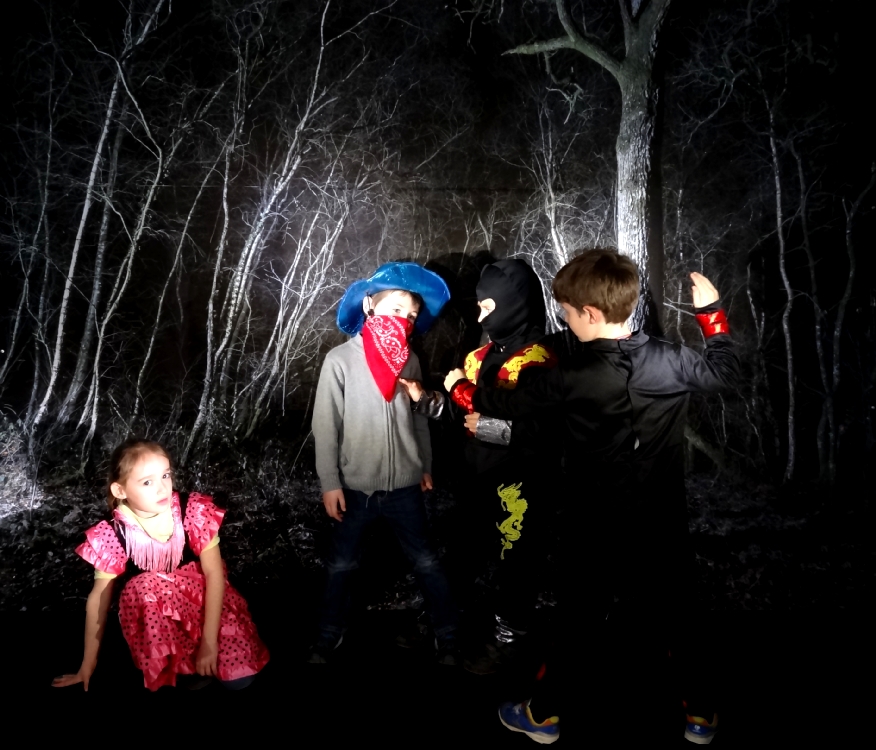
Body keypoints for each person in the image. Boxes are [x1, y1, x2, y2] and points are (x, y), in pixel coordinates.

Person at [444, 249, 738, 745]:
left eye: (566, 311)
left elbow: (500, 402)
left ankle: (540, 716)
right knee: (678, 616)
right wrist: (711, 310)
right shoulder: (672, 360)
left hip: (596, 525)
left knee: (577, 620)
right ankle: (701, 717)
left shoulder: (567, 376)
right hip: (661, 523)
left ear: (591, 315)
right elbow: (725, 368)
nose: (561, 317)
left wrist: (457, 387)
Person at [402, 259, 560, 675]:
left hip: (520, 487)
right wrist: (427, 400)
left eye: (488, 307)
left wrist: (491, 428)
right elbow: (460, 414)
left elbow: (547, 432)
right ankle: (443, 625)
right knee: (461, 554)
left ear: (513, 304)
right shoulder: (477, 358)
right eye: (480, 306)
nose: (479, 315)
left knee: (516, 563)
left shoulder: (542, 360)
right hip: (476, 479)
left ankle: (509, 641)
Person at [309, 261, 459, 665]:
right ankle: (327, 635)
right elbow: (326, 426)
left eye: (411, 314)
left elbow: (420, 421)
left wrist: (423, 464)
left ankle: (448, 637)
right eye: (396, 309)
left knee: (427, 560)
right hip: (356, 487)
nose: (404, 319)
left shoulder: (410, 361)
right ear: (371, 306)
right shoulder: (339, 360)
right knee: (341, 564)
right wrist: (330, 482)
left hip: (406, 486)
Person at [53, 438, 269, 692]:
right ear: (120, 491)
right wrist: (87, 665)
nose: (162, 489)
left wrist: (209, 643)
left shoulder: (192, 511)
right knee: (141, 586)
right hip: (162, 614)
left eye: (166, 475)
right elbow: (98, 600)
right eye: (147, 482)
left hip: (206, 604)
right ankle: (181, 665)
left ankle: (207, 653)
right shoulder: (113, 533)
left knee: (239, 680)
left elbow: (214, 575)